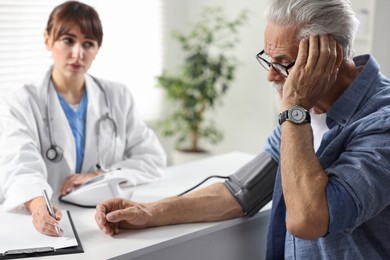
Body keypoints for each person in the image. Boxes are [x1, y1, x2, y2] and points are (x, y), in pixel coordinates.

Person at [95, 0, 390, 258]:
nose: (271, 76)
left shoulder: (379, 121)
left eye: (284, 63)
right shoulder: (305, 109)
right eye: (268, 61)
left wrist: (294, 108)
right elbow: (240, 193)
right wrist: (148, 212)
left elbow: (307, 221)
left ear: (328, 56)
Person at [0, 1, 166, 237]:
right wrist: (39, 207)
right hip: (48, 219)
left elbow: (151, 157)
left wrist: (100, 175)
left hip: (102, 218)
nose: (78, 53)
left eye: (88, 44)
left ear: (97, 49)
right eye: (68, 40)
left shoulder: (117, 96)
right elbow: (19, 166)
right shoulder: (21, 101)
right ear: (47, 40)